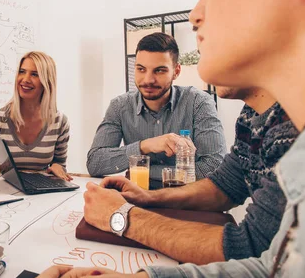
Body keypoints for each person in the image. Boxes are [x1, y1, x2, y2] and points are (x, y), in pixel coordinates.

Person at [33, 0, 305, 278]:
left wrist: (123, 216)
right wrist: (146, 207)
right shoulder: (264, 119)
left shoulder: (210, 106)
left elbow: (249, 244)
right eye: (141, 69)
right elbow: (258, 247)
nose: (196, 14)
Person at [82, 87, 298, 264]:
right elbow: (225, 185)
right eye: (140, 68)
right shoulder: (251, 115)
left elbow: (257, 248)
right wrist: (147, 197)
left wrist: (122, 217)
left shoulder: (294, 125)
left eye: (200, 31)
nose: (199, 48)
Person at [87, 32, 226, 181]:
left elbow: (214, 166)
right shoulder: (120, 106)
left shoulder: (198, 103)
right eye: (141, 69)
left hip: (186, 202)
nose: (148, 80)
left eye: (159, 70)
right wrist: (145, 146)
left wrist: (146, 171)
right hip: (137, 198)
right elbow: (95, 163)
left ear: (176, 71)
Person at [0, 51, 71, 180]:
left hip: (43, 194)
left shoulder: (59, 122)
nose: (25, 79)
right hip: (6, 193)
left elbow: (60, 167)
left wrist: (58, 166)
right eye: (22, 72)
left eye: (34, 74)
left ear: (47, 81)